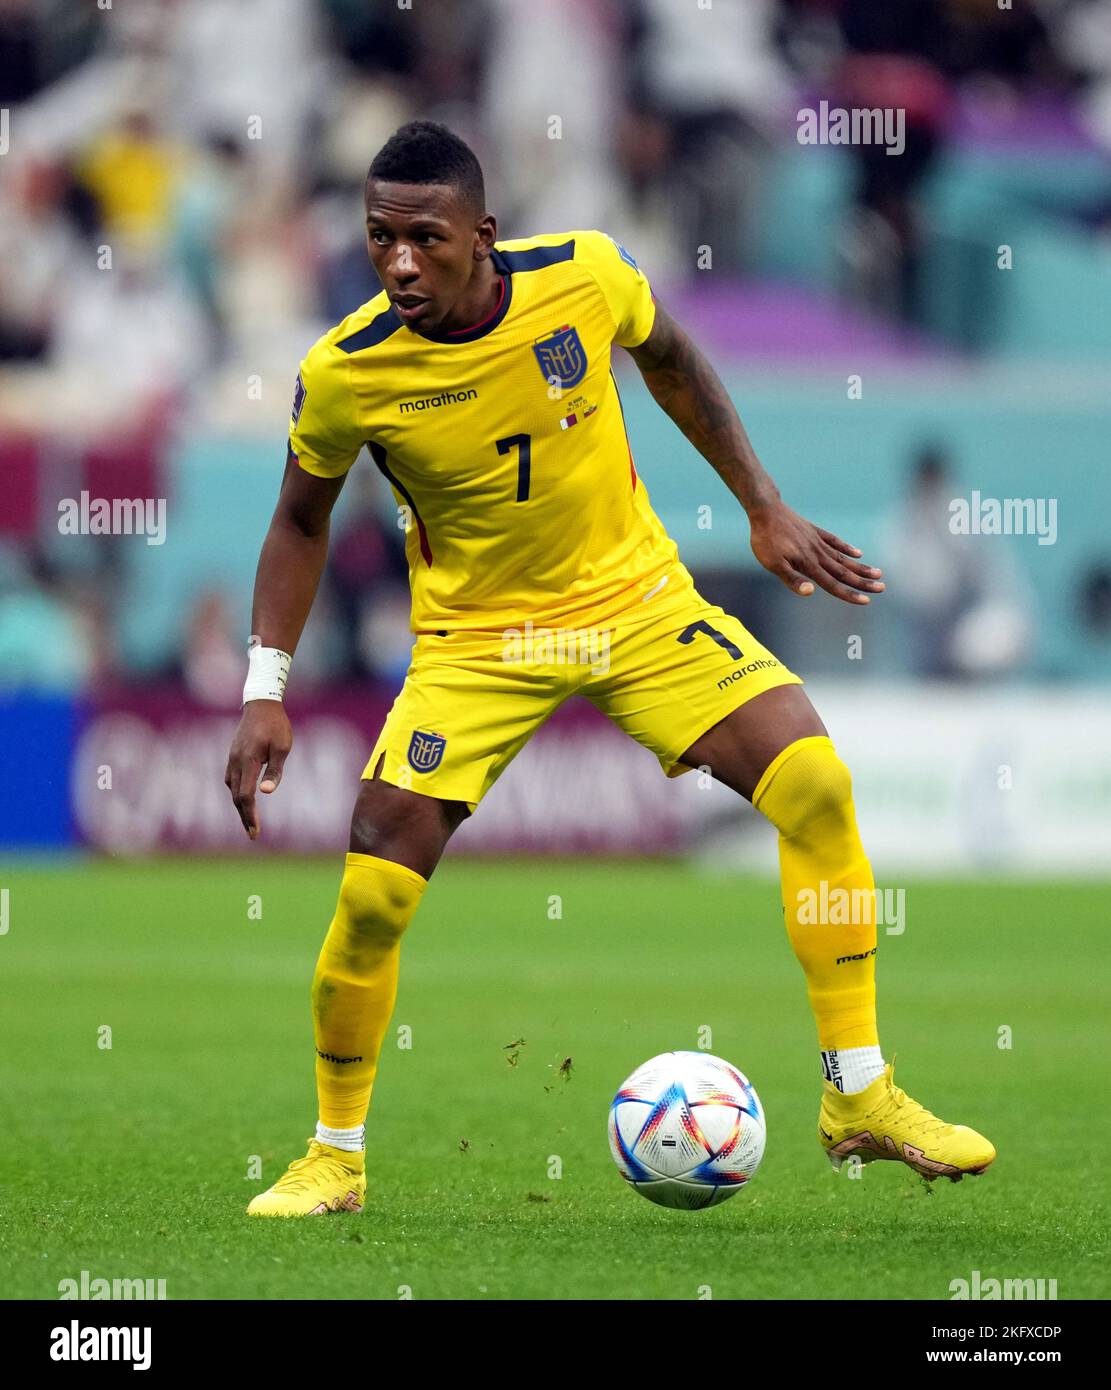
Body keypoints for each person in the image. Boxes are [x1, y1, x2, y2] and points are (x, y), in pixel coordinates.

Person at [225, 121, 994, 1217]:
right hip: (475, 644)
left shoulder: (583, 276)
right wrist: (266, 690)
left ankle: (857, 1093)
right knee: (372, 896)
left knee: (815, 782)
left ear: (482, 235)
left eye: (425, 239)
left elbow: (672, 356)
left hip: (635, 605)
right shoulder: (345, 370)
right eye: (379, 238)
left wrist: (760, 505)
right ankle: (334, 1157)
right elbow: (298, 523)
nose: (399, 262)